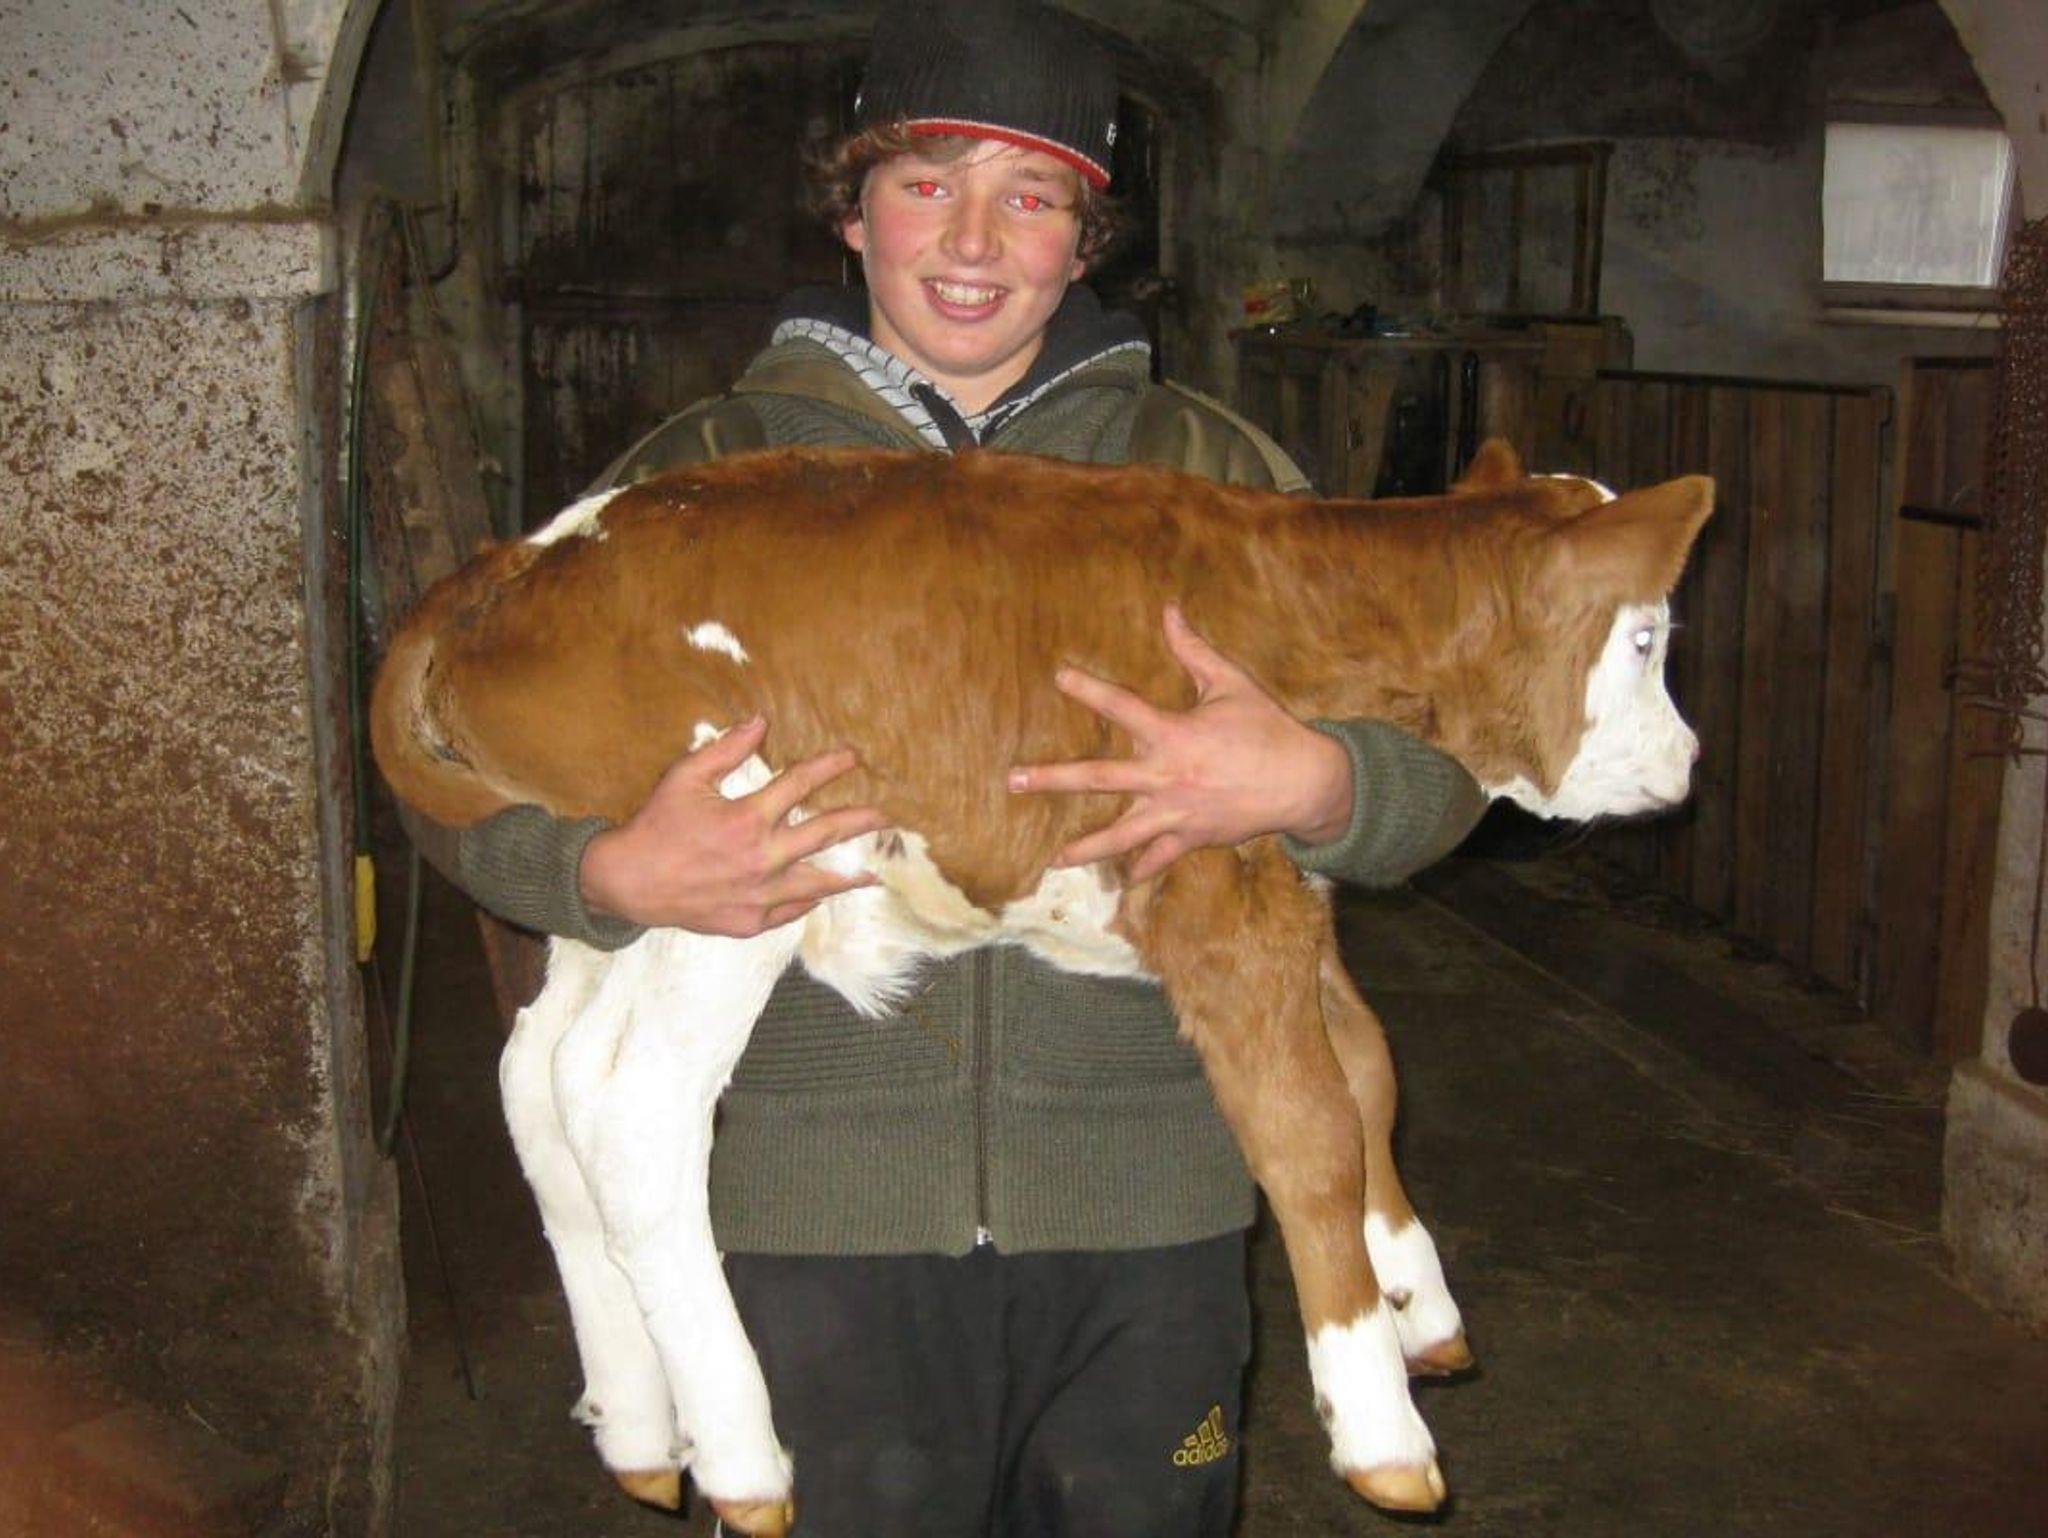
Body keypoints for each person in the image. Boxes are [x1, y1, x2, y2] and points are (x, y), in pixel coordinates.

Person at [408, 2, 1486, 1533]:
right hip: (812, 1218)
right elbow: (458, 772)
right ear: (852, 213)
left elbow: (1448, 766)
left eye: (1031, 195)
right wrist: (596, 871)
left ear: (1083, 239)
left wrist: (1324, 784)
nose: (974, 241)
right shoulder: (695, 481)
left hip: (1150, 1207)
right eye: (926, 183)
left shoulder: (1215, 472)